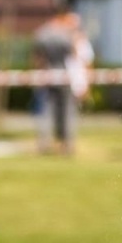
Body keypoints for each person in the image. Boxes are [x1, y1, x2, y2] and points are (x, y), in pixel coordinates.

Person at [33, 10, 78, 156]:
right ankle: (66, 144)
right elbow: (74, 54)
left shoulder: (42, 33)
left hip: (47, 73)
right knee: (67, 111)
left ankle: (44, 143)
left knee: (46, 110)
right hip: (64, 74)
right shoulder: (66, 34)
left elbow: (37, 56)